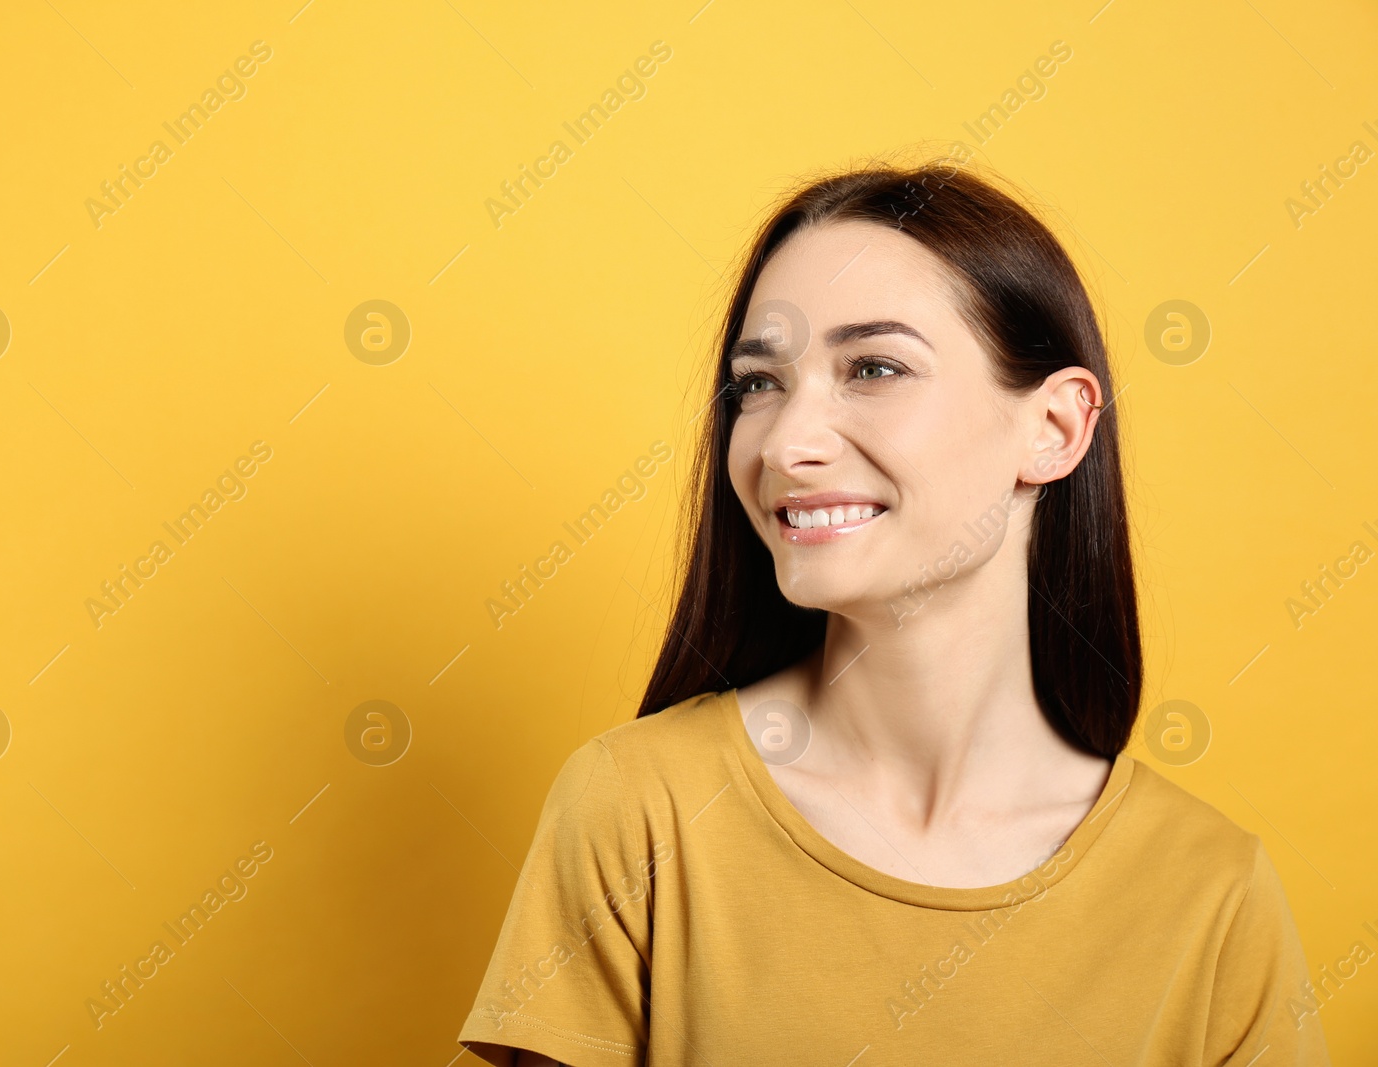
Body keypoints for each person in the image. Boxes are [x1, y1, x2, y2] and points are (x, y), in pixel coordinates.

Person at [456, 158, 1331, 1065]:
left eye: (873, 367)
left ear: (1056, 429)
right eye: (759, 383)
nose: (787, 444)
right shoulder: (636, 811)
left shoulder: (1214, 894)